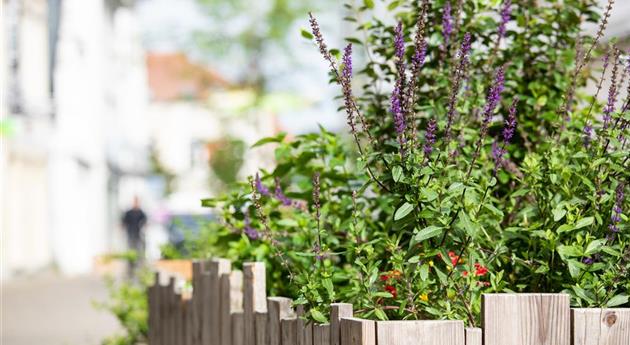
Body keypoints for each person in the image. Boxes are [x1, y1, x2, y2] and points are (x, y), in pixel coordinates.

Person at [122, 196, 147, 278]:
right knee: (130, 253)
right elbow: (123, 223)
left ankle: (139, 270)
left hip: (139, 235)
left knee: (139, 253)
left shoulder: (141, 212)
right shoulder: (129, 213)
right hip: (130, 235)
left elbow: (145, 222)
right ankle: (130, 270)